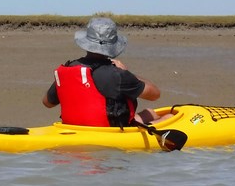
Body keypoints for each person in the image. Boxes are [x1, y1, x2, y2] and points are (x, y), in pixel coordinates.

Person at [42, 17, 172, 127]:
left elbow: (47, 103)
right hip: (110, 131)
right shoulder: (118, 74)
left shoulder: (69, 69)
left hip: (76, 129)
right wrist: (127, 72)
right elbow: (155, 94)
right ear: (112, 45)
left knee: (150, 113)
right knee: (169, 118)